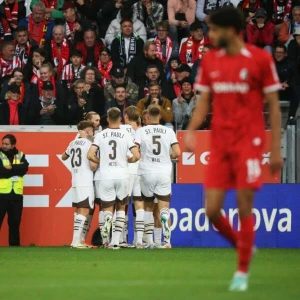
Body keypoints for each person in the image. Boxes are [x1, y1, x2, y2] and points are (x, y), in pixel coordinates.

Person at [185, 7, 283, 291]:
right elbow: (204, 102)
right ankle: (243, 246)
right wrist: (191, 130)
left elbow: (274, 107)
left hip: (249, 143)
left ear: (229, 30)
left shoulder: (260, 59)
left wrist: (275, 147)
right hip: (220, 143)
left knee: (243, 206)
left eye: (214, 30)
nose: (210, 35)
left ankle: (241, 272)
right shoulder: (211, 60)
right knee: (212, 210)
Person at [87, 107, 140, 249]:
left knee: (107, 209)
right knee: (121, 208)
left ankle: (105, 240)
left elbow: (90, 154)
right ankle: (116, 241)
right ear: (120, 119)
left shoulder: (101, 135)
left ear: (108, 119)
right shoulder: (126, 135)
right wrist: (129, 160)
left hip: (106, 176)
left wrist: (101, 161)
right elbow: (137, 155)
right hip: (122, 175)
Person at [134, 104, 180, 248]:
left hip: (147, 172)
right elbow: (178, 152)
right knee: (164, 209)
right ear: (160, 116)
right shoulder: (169, 131)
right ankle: (166, 242)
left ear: (147, 116)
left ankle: (150, 242)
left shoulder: (141, 131)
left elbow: (135, 150)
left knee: (148, 207)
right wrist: (167, 157)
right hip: (163, 172)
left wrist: (140, 158)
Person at [62, 120, 98, 249]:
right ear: (88, 131)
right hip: (85, 180)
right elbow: (93, 166)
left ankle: (78, 241)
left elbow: (63, 157)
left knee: (78, 209)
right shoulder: (90, 144)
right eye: (92, 130)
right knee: (85, 210)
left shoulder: (72, 143)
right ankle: (76, 241)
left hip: (75, 180)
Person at [120, 106, 144, 247]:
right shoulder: (143, 131)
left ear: (126, 116)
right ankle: (139, 240)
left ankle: (122, 238)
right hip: (140, 170)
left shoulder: (121, 130)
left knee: (123, 204)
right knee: (139, 203)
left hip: (126, 170)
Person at [0, 134, 29, 246]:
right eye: (3, 143)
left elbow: (25, 168)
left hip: (16, 195)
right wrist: (16, 169)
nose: (4, 146)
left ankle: (14, 247)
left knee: (15, 223)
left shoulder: (20, 155)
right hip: (1, 194)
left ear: (13, 145)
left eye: (7, 144)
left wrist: (10, 168)